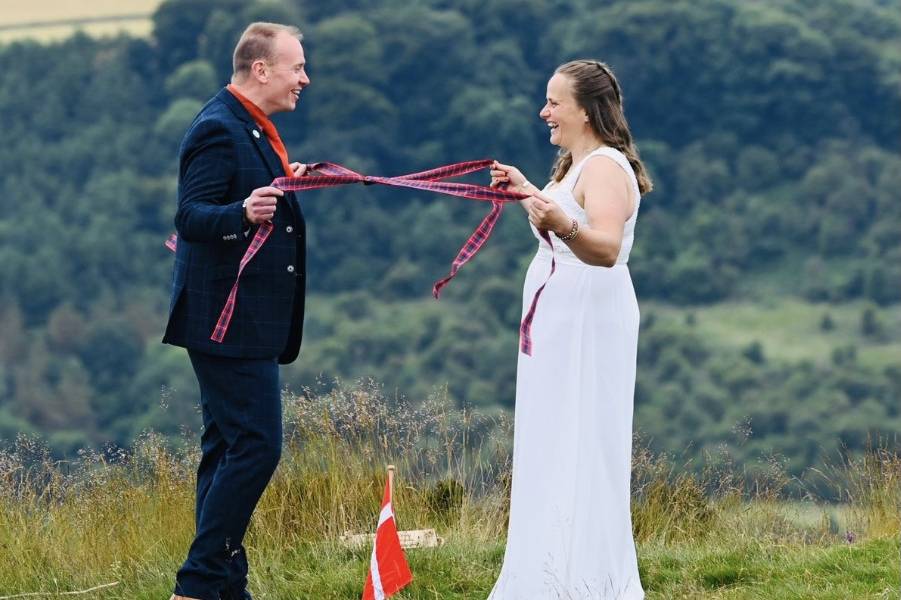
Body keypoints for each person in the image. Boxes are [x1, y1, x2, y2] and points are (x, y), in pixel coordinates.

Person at [487, 59, 653, 599]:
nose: (545, 112)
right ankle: (547, 571)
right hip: (558, 314)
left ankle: (584, 580)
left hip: (588, 316)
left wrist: (563, 222)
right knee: (552, 437)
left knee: (582, 437)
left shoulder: (605, 167)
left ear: (585, 110)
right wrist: (528, 191)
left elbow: (603, 248)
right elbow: (563, 218)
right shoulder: (569, 167)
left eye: (555, 102)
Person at [161, 22, 310, 600]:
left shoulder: (248, 126)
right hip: (227, 321)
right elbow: (191, 217)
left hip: (241, 319)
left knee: (225, 448)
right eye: (297, 66)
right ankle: (196, 586)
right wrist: (244, 214)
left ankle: (225, 589)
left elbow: (235, 190)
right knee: (257, 447)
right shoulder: (219, 129)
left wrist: (285, 180)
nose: (305, 77)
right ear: (261, 69)